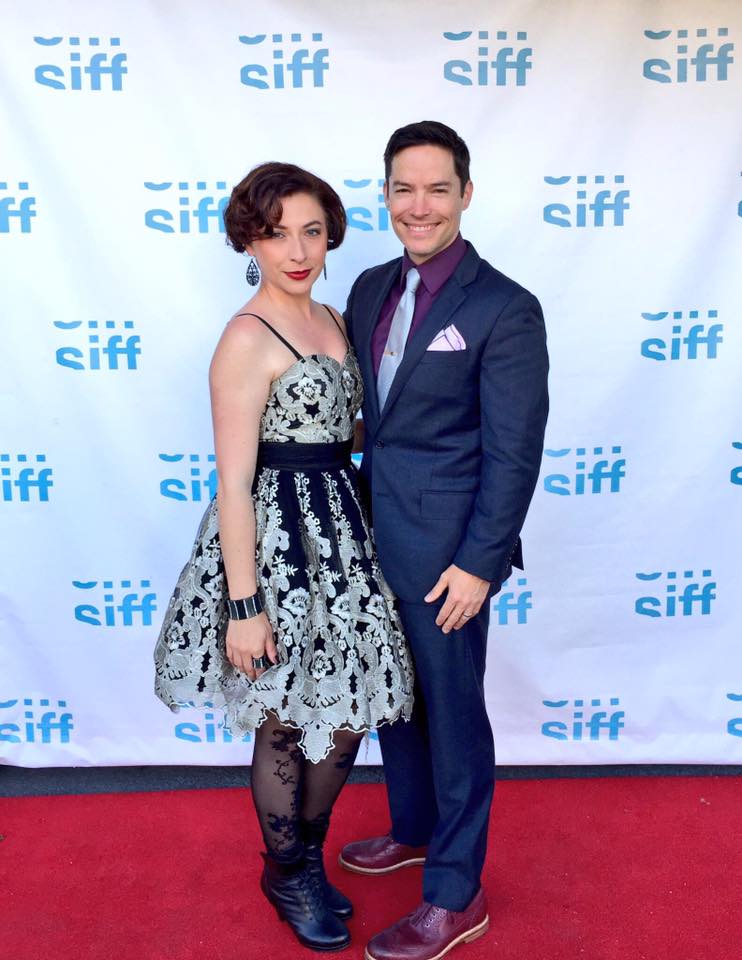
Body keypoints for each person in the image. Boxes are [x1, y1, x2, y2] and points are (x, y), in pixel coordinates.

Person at [153, 162, 414, 953]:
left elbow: (341, 428)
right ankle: (289, 871)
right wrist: (244, 606)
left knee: (345, 717)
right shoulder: (245, 338)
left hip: (343, 534)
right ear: (249, 242)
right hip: (273, 547)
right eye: (276, 234)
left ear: (330, 236)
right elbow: (234, 483)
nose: (297, 252)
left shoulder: (334, 317)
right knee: (283, 721)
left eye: (311, 232)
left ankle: (301, 857)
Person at [339, 121, 549, 960]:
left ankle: (455, 895)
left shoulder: (505, 307)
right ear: (385, 195)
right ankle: (415, 828)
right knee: (396, 699)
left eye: (436, 188)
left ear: (466, 194)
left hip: (450, 558)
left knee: (455, 720)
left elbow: (514, 452)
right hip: (375, 537)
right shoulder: (368, 289)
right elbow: (376, 420)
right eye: (403, 188)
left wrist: (479, 565)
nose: (418, 206)